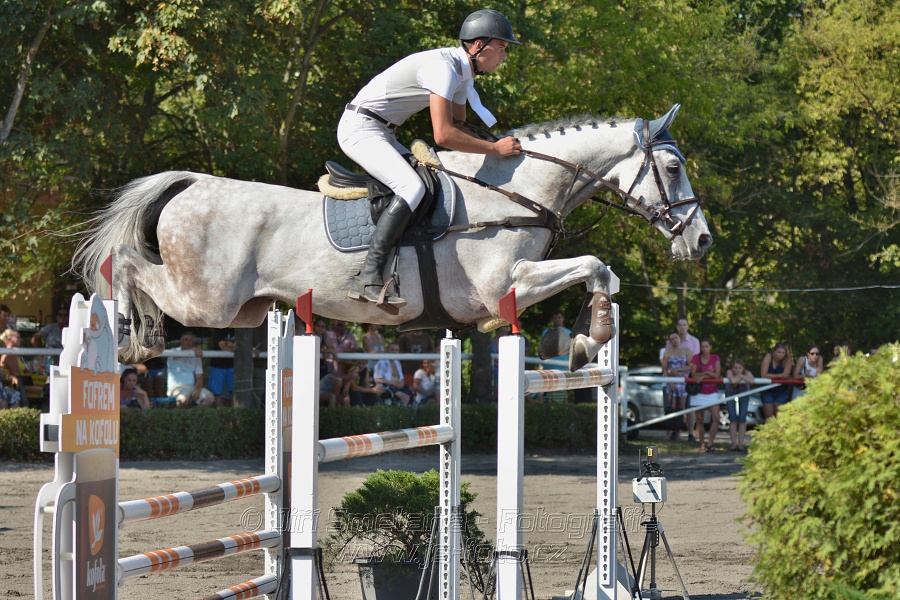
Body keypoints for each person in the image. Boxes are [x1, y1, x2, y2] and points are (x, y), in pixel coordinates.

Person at [339, 9, 522, 308]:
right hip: (360, 128)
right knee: (413, 188)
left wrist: (497, 143)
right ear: (478, 45)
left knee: (429, 182)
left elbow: (462, 126)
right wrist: (495, 150)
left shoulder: (462, 73)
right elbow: (444, 135)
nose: (504, 55)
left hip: (382, 132)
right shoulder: (444, 69)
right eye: (501, 47)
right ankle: (367, 275)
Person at [665, 318, 700, 440]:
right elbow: (665, 365)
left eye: (684, 325)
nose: (682, 327)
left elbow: (693, 363)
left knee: (687, 406)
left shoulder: (693, 342)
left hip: (687, 379)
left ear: (688, 326)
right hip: (672, 380)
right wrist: (670, 378)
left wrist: (679, 371)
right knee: (672, 406)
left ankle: (691, 433)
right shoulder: (669, 347)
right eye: (680, 325)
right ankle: (675, 432)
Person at [166, 331, 215, 408]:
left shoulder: (196, 355)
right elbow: (175, 356)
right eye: (186, 339)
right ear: (181, 341)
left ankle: (193, 415)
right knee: (184, 399)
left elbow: (199, 377)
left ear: (193, 342)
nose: (188, 342)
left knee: (210, 398)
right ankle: (183, 418)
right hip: (176, 387)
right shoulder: (174, 351)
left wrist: (198, 390)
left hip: (191, 387)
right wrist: (192, 350)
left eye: (191, 340)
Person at [689, 337, 721, 452]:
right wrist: (708, 374)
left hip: (712, 392)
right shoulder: (695, 358)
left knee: (716, 418)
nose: (704, 348)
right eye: (702, 346)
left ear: (711, 347)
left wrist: (704, 375)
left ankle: (710, 443)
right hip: (699, 392)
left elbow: (717, 374)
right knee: (699, 419)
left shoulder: (715, 358)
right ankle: (702, 444)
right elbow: (693, 373)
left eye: (706, 346)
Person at [662, 332, 692, 441]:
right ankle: (670, 431)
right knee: (671, 407)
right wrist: (670, 382)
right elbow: (665, 369)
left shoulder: (687, 351)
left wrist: (678, 370)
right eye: (672, 339)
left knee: (681, 407)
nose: (675, 340)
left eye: (676, 338)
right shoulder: (668, 352)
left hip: (683, 382)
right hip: (671, 382)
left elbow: (690, 366)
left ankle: (678, 432)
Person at [725, 359, 754, 451]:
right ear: (732, 368)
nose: (737, 370)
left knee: (742, 417)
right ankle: (733, 444)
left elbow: (752, 380)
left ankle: (741, 444)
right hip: (730, 392)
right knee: (732, 417)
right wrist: (741, 377)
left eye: (740, 368)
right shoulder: (729, 372)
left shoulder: (747, 372)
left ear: (743, 368)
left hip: (744, 393)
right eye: (735, 368)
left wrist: (741, 375)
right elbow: (733, 381)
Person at [759, 342, 793, 420]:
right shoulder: (768, 357)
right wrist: (779, 376)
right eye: (778, 352)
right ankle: (769, 431)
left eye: (782, 353)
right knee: (769, 416)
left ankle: (779, 432)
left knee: (779, 416)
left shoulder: (788, 360)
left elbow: (786, 375)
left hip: (782, 391)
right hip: (767, 390)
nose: (780, 354)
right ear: (774, 351)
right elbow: (763, 375)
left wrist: (771, 376)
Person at [208, 328, 236, 407]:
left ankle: (235, 413)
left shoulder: (238, 329)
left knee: (235, 392)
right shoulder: (219, 329)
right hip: (217, 366)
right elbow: (223, 347)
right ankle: (220, 413)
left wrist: (233, 347)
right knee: (216, 392)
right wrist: (236, 348)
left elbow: (241, 346)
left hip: (233, 366)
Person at [0, 329, 25, 408]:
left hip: (5, 384)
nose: (21, 339)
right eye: (18, 337)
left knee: (14, 395)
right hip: (11, 383)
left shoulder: (16, 354)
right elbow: (16, 373)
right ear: (9, 339)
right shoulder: (9, 355)